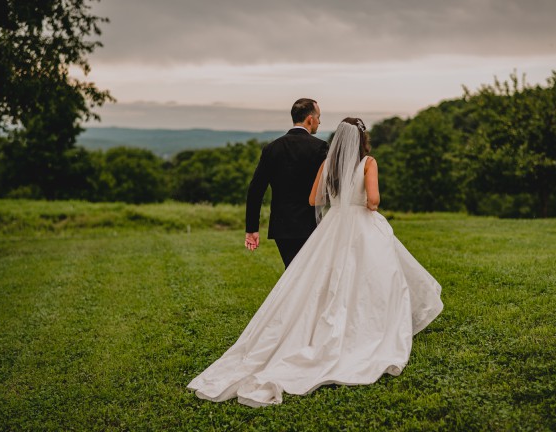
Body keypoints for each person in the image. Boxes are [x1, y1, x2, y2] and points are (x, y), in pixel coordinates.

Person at [187, 117, 443, 407]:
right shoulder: (368, 162)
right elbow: (373, 201)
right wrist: (366, 201)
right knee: (371, 275)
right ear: (362, 139)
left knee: (327, 279)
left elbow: (313, 200)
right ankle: (369, 325)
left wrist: (339, 199)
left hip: (333, 225)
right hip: (361, 225)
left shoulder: (328, 165)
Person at [244, 98, 329, 267]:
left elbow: (256, 190)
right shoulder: (320, 147)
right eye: (318, 117)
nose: (319, 122)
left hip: (282, 227)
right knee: (309, 275)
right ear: (310, 119)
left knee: (293, 273)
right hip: (310, 224)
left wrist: (252, 228)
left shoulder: (272, 148)